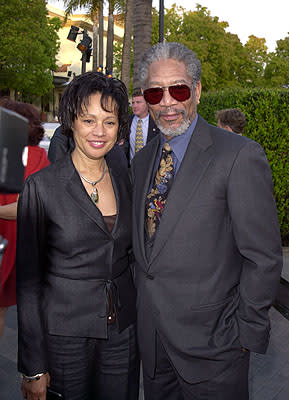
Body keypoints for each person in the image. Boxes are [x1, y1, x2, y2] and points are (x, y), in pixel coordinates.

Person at [130, 42, 283, 400]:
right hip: (154, 347)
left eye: (178, 89)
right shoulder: (141, 162)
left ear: (196, 91)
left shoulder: (239, 156)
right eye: (155, 92)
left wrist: (245, 333)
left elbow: (263, 257)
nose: (167, 102)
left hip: (217, 348)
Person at [16, 72, 139, 400]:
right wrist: (33, 366)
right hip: (64, 338)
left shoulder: (125, 180)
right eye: (89, 119)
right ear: (71, 120)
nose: (99, 131)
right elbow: (28, 283)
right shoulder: (42, 187)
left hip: (122, 334)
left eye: (109, 122)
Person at [0, 98, 50, 337]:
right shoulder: (39, 157)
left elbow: (24, 206)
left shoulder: (28, 156)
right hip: (26, 244)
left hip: (10, 242)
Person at [120, 88, 159, 164]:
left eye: (138, 102)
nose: (135, 106)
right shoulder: (126, 121)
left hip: (150, 169)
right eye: (133, 103)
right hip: (131, 169)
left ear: (147, 103)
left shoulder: (156, 122)